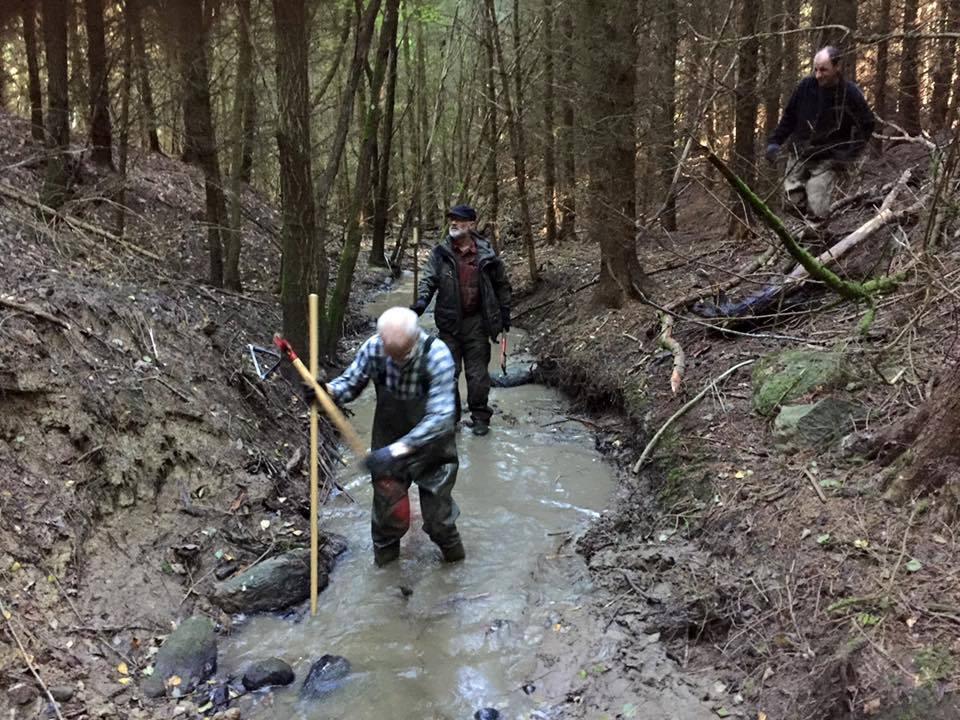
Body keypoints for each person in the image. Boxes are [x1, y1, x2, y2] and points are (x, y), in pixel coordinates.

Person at [308, 307, 464, 567]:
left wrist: (395, 451)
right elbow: (351, 384)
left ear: (415, 340)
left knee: (440, 523)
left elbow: (440, 419)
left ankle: (456, 569)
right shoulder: (373, 347)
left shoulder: (437, 355)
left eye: (402, 356)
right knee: (387, 521)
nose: (395, 363)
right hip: (388, 438)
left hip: (432, 449)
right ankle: (386, 581)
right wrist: (326, 392)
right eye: (390, 355)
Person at [411, 204, 512, 437]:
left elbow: (502, 286)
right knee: (447, 373)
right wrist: (419, 305)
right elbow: (428, 281)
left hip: (477, 323)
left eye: (459, 220)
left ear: (471, 224)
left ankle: (480, 418)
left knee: (477, 376)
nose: (454, 224)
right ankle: (452, 419)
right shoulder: (441, 253)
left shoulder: (487, 254)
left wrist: (504, 314)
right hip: (448, 325)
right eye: (452, 221)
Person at [765, 46, 875, 219]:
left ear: (837, 67)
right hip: (799, 153)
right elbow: (789, 116)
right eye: (815, 69)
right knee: (791, 202)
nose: (818, 75)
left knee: (817, 207)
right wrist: (775, 142)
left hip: (827, 158)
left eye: (823, 70)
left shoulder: (850, 94)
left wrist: (848, 155)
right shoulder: (805, 87)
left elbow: (867, 124)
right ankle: (804, 232)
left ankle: (815, 241)